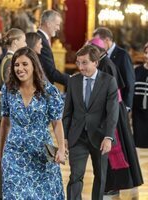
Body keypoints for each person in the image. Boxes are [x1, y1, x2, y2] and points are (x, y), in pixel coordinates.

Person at [0, 47, 65, 199]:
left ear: (34, 65)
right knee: (14, 195)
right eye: (16, 65)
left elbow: (57, 123)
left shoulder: (49, 91)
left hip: (42, 154)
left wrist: (61, 148)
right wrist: (0, 154)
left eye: (24, 64)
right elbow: (5, 123)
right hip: (14, 154)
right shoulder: (8, 90)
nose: (20, 68)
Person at [63, 45, 119, 200]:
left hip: (100, 137)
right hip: (77, 136)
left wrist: (108, 137)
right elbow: (67, 113)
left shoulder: (109, 82)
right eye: (78, 63)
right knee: (75, 176)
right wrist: (65, 137)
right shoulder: (73, 81)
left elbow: (113, 112)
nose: (80, 67)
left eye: (85, 63)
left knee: (100, 176)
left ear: (95, 62)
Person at [88, 38, 143, 195]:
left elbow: (108, 91)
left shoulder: (105, 65)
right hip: (113, 108)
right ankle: (113, 183)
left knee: (112, 148)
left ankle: (113, 184)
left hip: (111, 109)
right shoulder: (105, 62)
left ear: (97, 51)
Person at [0, 27, 26, 200]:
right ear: (15, 42)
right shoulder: (10, 61)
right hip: (9, 113)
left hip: (10, 112)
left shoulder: (10, 59)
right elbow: (13, 88)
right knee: (5, 158)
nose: (25, 44)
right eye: (23, 41)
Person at [93, 27, 135, 111]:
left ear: (107, 40)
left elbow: (129, 81)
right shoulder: (99, 55)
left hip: (119, 103)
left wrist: (127, 106)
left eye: (98, 42)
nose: (96, 45)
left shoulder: (122, 55)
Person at [37, 9, 69, 86]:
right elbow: (50, 71)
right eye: (57, 25)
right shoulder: (41, 41)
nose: (58, 28)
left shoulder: (41, 38)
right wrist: (71, 80)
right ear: (48, 24)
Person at [132, 42, 148, 148]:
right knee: (138, 146)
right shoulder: (136, 71)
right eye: (146, 52)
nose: (147, 56)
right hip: (138, 115)